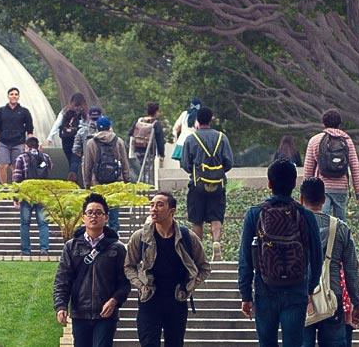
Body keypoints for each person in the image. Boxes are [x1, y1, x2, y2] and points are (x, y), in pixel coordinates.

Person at [236, 160, 323, 347]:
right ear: (294, 184)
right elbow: (317, 257)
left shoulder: (255, 213)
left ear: (269, 183)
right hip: (296, 289)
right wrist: (310, 288)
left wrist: (245, 294)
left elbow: (245, 258)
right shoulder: (305, 215)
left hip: (264, 288)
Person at [125, 190, 211, 347]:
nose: (153, 209)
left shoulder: (187, 237)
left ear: (172, 210)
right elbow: (129, 266)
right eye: (151, 205)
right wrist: (140, 285)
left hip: (176, 300)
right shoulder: (140, 236)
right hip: (149, 300)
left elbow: (204, 267)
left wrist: (189, 286)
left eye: (159, 205)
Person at [53, 193, 129, 347]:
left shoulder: (117, 248)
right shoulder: (71, 246)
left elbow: (125, 283)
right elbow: (62, 279)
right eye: (90, 213)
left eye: (99, 213)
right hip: (80, 313)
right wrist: (61, 306)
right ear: (83, 217)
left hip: (106, 315)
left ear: (106, 217)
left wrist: (114, 301)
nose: (94, 216)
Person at [299, 178, 359, 346]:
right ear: (323, 200)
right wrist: (358, 302)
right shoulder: (340, 228)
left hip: (301, 297)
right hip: (332, 297)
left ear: (301, 199)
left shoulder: (294, 226)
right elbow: (351, 269)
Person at [181, 108, 235, 260]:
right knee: (216, 216)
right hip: (218, 184)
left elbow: (185, 164)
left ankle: (198, 251)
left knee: (197, 219)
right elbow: (229, 162)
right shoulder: (221, 138)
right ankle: (216, 243)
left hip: (197, 185)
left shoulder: (191, 139)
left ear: (197, 120)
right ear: (211, 119)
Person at [302, 109, 359, 220]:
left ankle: (323, 237)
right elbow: (355, 167)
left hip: (322, 188)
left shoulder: (315, 140)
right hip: (341, 188)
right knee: (340, 222)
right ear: (339, 124)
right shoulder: (346, 140)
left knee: (322, 220)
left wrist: (305, 192)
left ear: (324, 123)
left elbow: (308, 169)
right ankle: (340, 237)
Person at [82, 115, 129, 231]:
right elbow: (124, 162)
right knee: (113, 211)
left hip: (97, 182)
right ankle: (114, 237)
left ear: (97, 128)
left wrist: (87, 183)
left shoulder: (91, 143)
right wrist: (127, 180)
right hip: (116, 181)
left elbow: (87, 165)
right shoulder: (119, 142)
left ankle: (100, 235)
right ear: (110, 127)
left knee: (99, 210)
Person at [12, 136, 56, 255]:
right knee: (43, 223)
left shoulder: (21, 158)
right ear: (38, 145)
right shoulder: (46, 157)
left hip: (26, 195)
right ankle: (44, 249)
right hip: (41, 194)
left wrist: (15, 197)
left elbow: (17, 178)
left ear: (26, 146)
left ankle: (26, 250)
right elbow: (50, 168)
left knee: (25, 224)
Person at [0, 87, 35, 185]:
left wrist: (30, 145)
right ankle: (4, 186)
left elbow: (30, 130)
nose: (14, 96)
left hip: (18, 142)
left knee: (16, 166)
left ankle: (15, 188)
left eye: (16, 94)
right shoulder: (1, 111)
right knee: (2, 164)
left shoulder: (24, 111)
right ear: (8, 96)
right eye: (12, 94)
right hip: (3, 142)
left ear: (18, 96)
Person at [130, 102, 164, 184]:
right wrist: (161, 154)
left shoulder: (139, 121)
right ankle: (147, 188)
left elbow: (130, 133)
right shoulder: (156, 123)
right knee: (148, 171)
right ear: (156, 112)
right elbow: (160, 140)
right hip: (149, 151)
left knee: (140, 170)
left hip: (138, 149)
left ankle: (140, 187)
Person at [58, 93, 89, 171]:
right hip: (77, 139)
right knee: (76, 160)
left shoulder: (65, 111)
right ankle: (78, 177)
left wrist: (50, 138)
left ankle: (72, 177)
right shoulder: (84, 112)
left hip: (65, 139)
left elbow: (58, 124)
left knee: (71, 161)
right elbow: (86, 126)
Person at [169, 97, 202, 165]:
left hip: (182, 142)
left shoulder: (184, 114)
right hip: (196, 143)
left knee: (183, 167)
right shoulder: (200, 116)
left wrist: (175, 139)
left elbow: (175, 128)